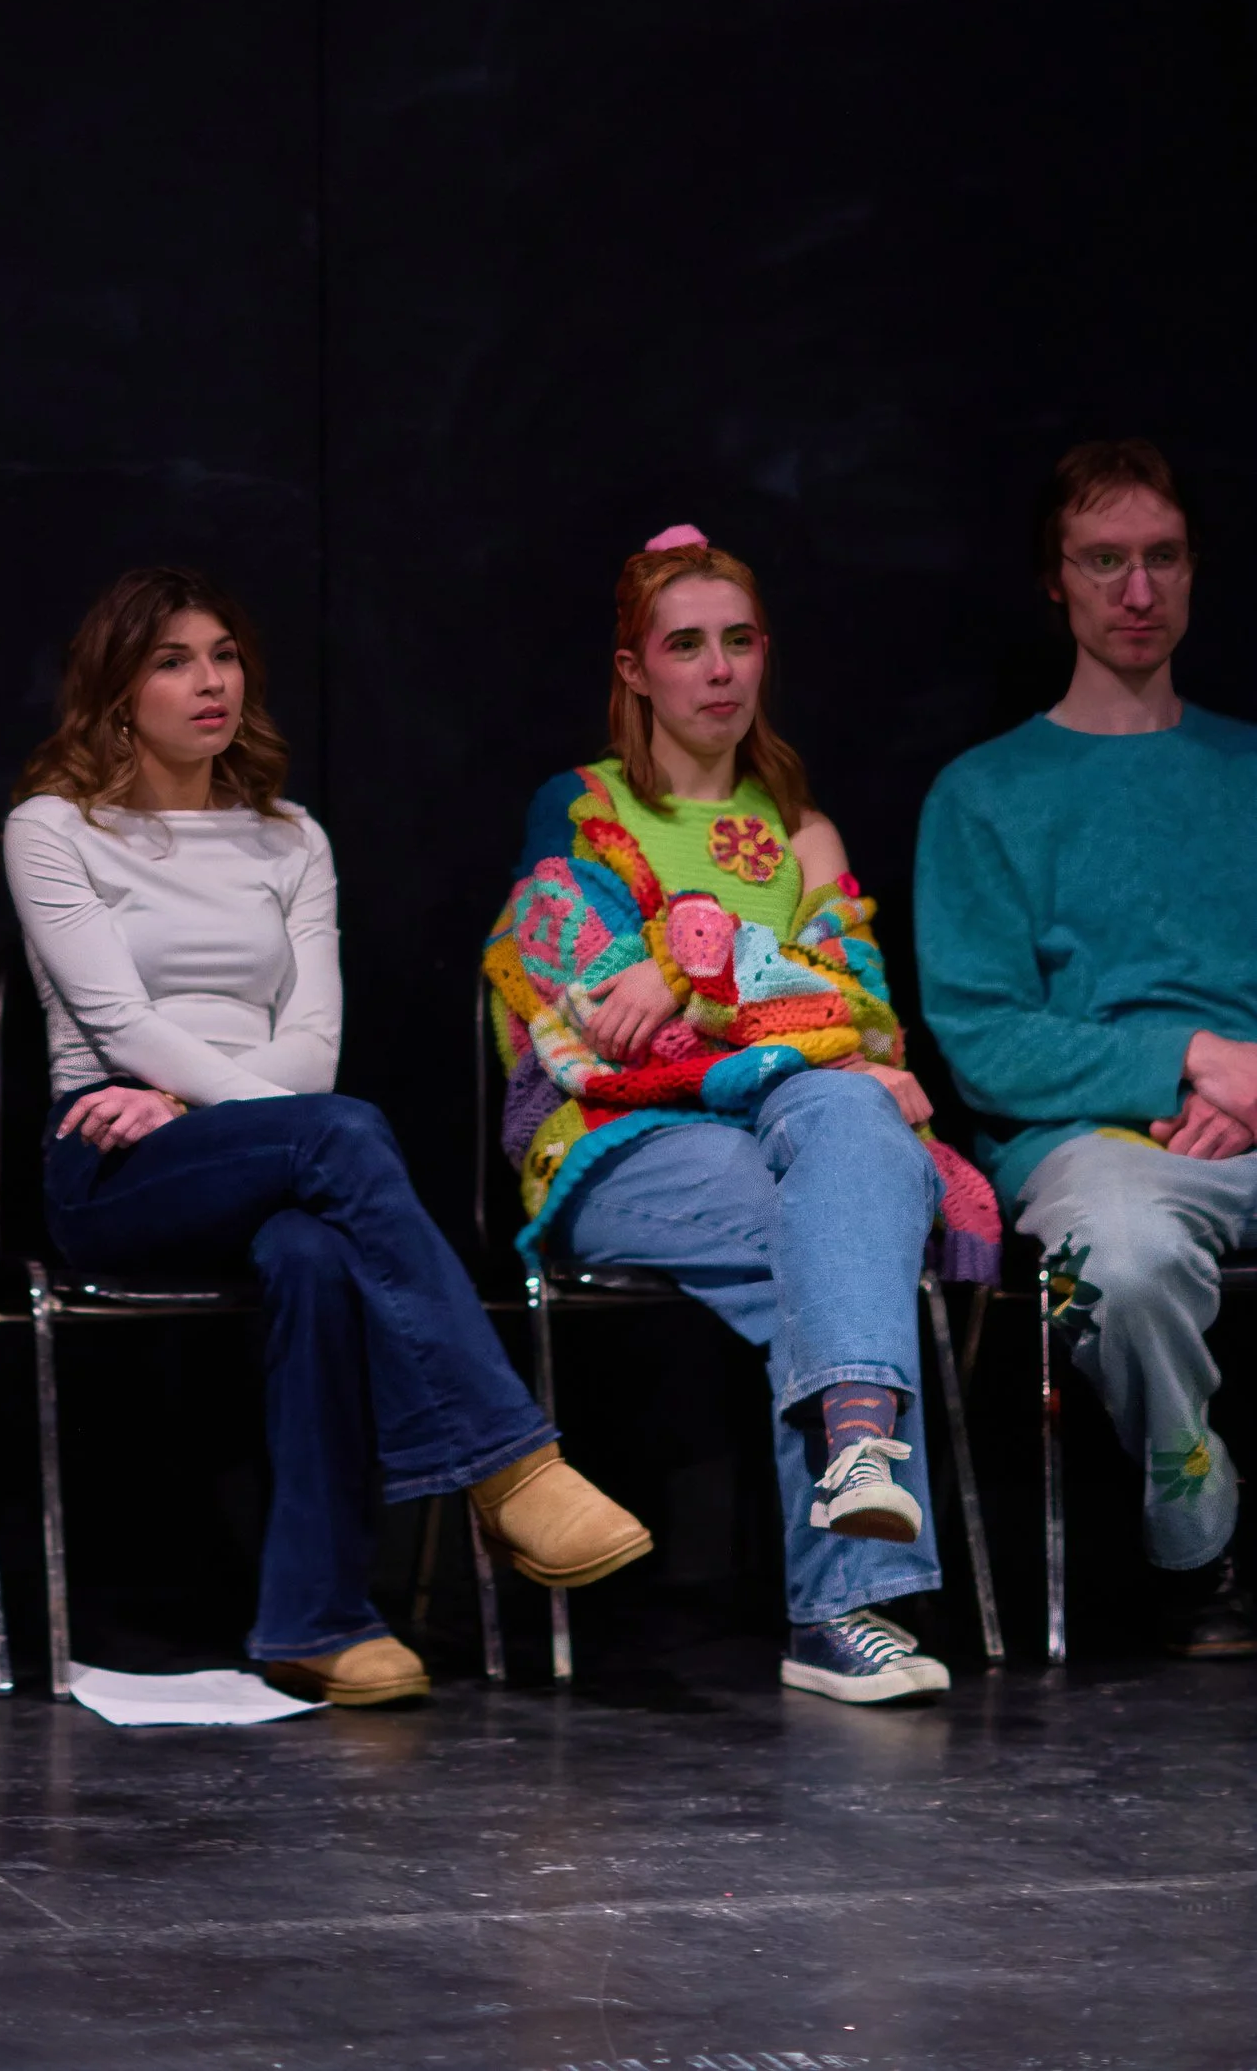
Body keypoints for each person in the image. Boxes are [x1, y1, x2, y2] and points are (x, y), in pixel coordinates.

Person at [5, 565, 649, 1708]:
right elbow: (119, 1022)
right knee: (341, 1139)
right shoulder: (54, 827)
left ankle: (316, 1619)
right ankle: (511, 1463)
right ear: (116, 693)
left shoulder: (290, 836)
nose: (209, 680)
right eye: (172, 661)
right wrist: (195, 1111)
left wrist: (200, 1104)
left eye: (223, 655)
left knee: (312, 1248)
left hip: (260, 1136)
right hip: (112, 1151)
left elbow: (312, 1048)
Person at [486, 527, 1000, 1708]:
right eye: (684, 646)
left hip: (798, 1130)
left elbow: (862, 1014)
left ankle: (851, 1505)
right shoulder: (581, 812)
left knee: (844, 1145)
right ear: (634, 669)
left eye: (737, 641)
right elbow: (602, 1027)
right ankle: (845, 1596)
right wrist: (753, 994)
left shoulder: (801, 829)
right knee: (844, 1208)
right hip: (622, 1144)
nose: (717, 670)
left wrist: (688, 971)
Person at [917, 439, 1256, 1659]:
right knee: (1112, 1262)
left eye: (1161, 557)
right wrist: (1190, 1060)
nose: (1137, 591)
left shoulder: (1246, 767)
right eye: (1104, 561)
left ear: (1194, 568)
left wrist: (1248, 1086)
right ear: (1053, 581)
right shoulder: (983, 793)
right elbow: (982, 1039)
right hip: (1093, 1148)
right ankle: (1196, 1536)